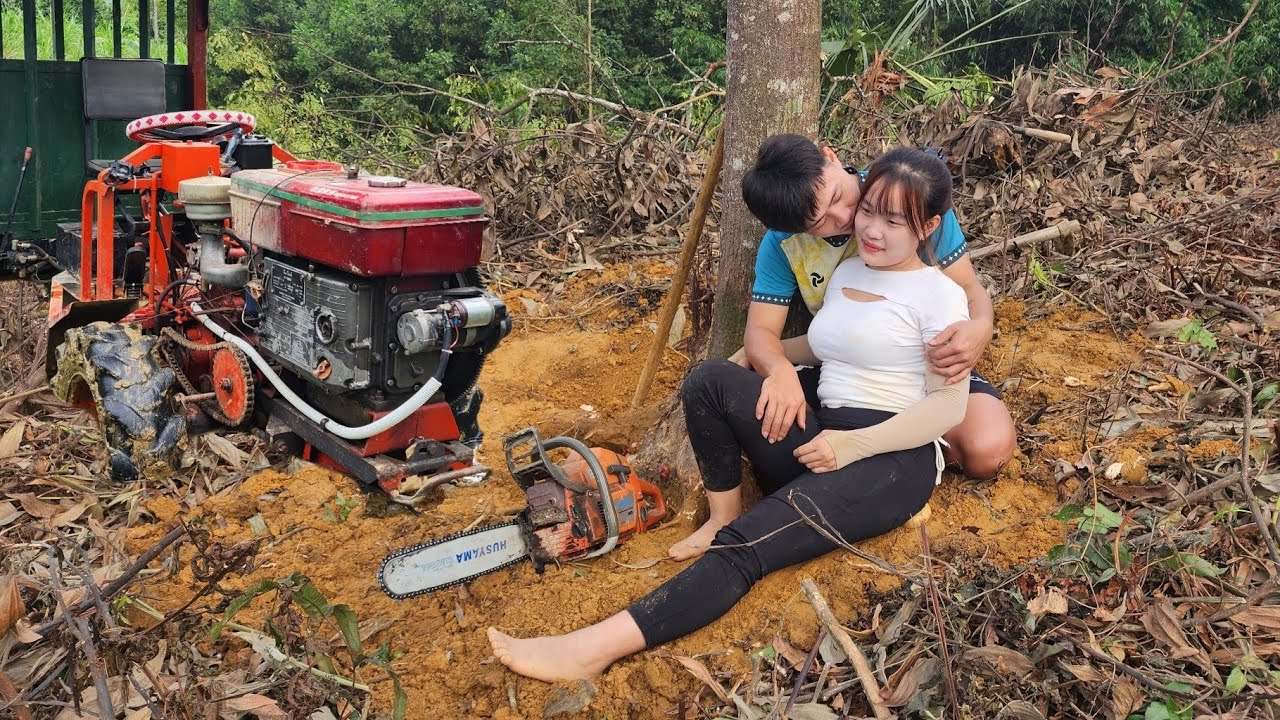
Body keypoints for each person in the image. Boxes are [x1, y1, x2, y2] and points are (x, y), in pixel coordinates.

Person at [489, 147, 972, 683]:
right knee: (709, 380)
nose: (871, 229)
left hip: (889, 460)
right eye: (868, 212)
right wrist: (758, 360)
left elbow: (949, 407)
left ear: (928, 226)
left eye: (893, 220)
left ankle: (590, 650)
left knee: (746, 550)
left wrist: (853, 447)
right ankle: (722, 513)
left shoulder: (941, 297)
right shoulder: (850, 269)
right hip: (825, 438)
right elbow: (822, 345)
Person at [665, 135, 1016, 560]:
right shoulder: (782, 244)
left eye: (839, 197)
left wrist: (980, 327)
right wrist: (777, 370)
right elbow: (761, 332)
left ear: (831, 157)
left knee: (986, 453)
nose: (848, 217)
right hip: (842, 359)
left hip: (928, 357)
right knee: (766, 404)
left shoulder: (903, 192)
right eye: (821, 223)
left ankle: (909, 450)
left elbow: (969, 288)